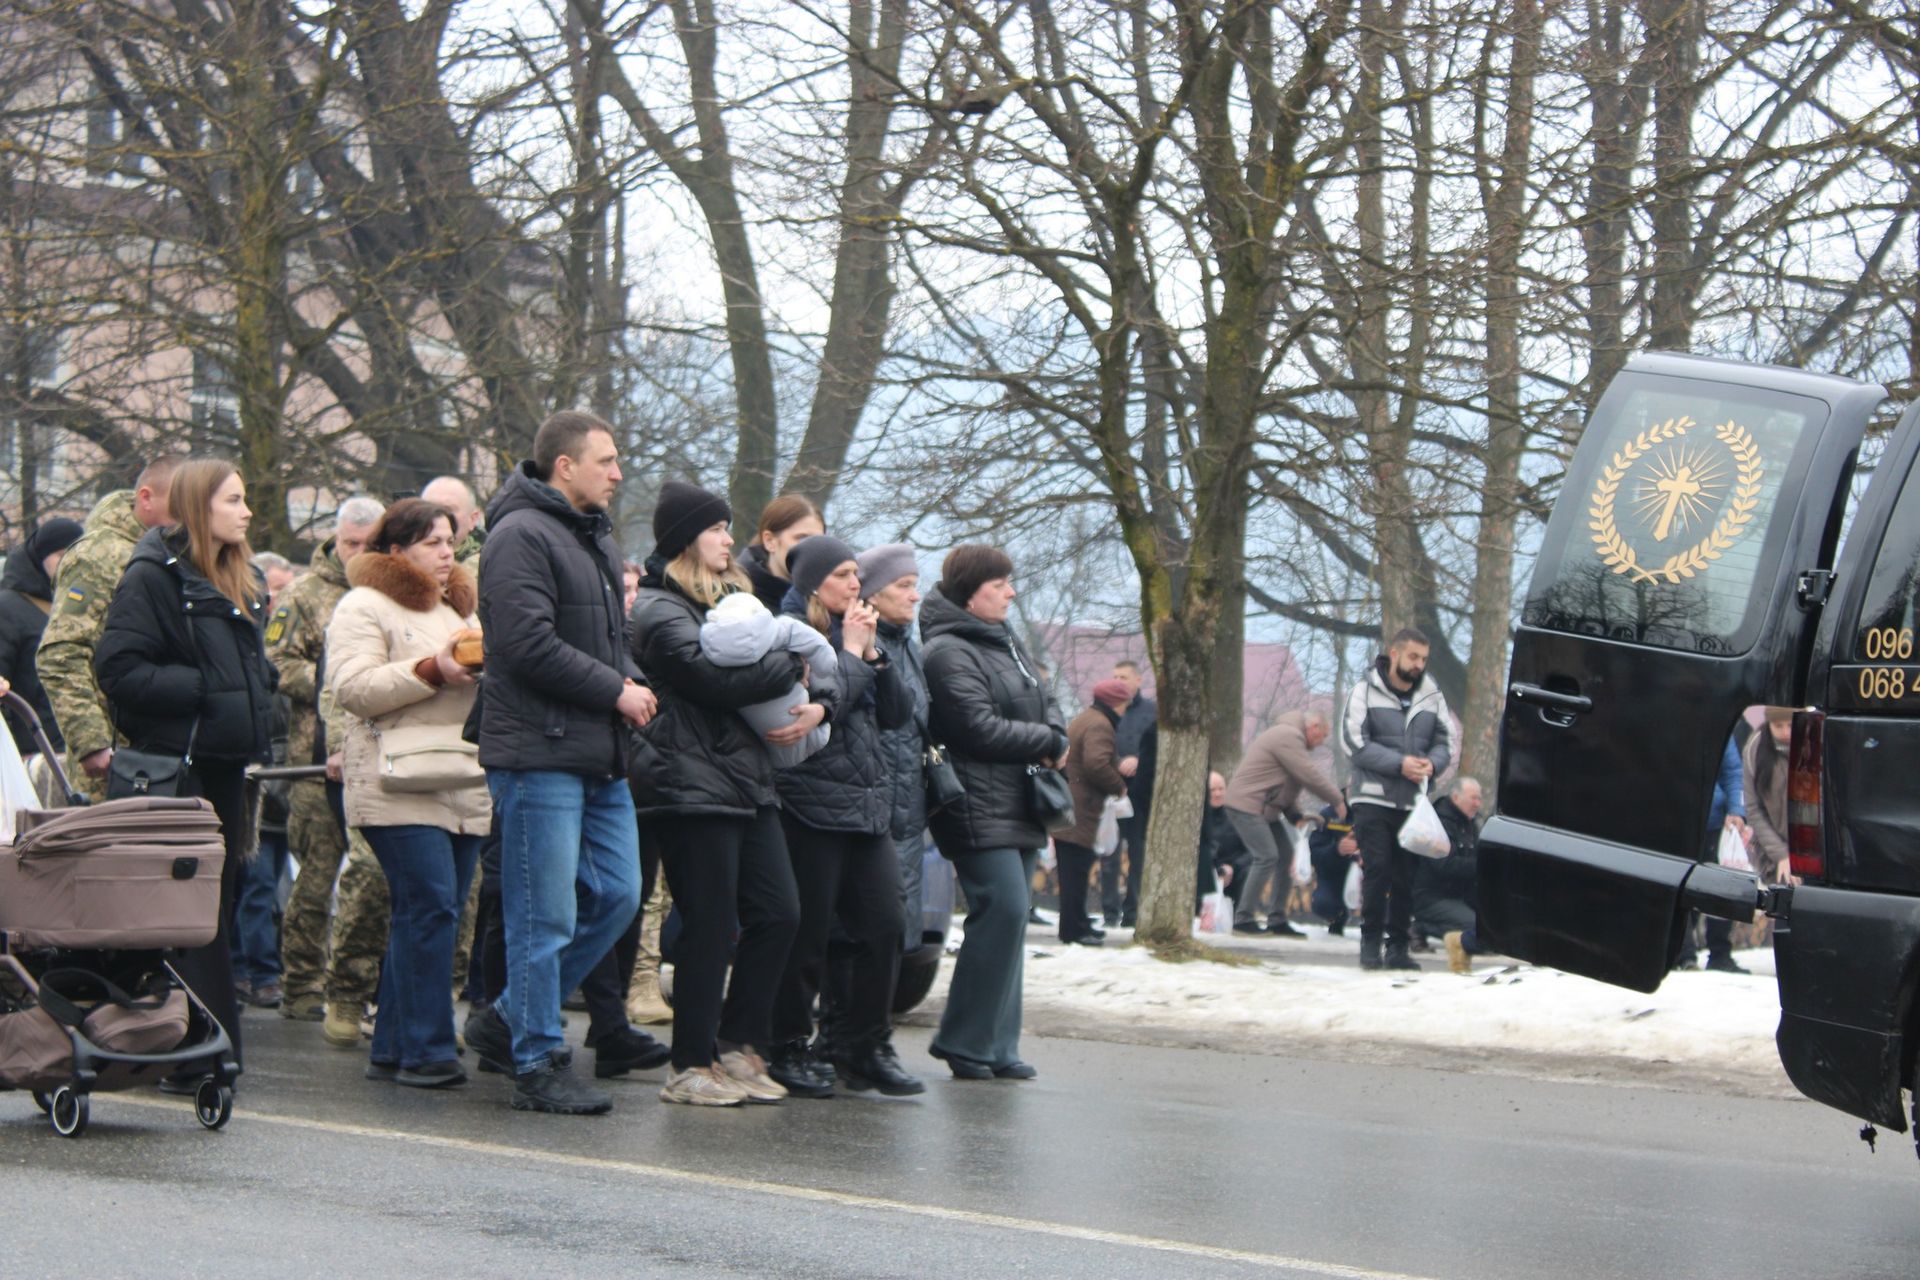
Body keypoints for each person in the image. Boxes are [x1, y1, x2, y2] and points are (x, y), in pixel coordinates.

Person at [462, 411, 654, 1116]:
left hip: (595, 749)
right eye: (605, 460)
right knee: (543, 916)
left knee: (616, 895)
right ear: (563, 467)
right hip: (536, 751)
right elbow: (523, 645)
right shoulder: (519, 535)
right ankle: (536, 1060)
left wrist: (628, 677)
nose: (617, 471)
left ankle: (510, 1015)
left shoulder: (591, 534)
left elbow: (610, 639)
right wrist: (616, 690)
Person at [629, 480, 813, 1106]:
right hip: (686, 780)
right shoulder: (657, 608)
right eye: (716, 528)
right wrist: (792, 659)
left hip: (745, 777)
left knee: (780, 911)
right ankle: (689, 1064)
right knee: (709, 924)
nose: (729, 539)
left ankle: (737, 1046)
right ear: (685, 537)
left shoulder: (737, 599)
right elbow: (709, 679)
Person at [94, 458, 278, 1075]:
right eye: (233, 500)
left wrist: (258, 691)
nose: (246, 511)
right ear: (202, 507)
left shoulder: (241, 578)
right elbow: (118, 669)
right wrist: (203, 688)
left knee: (215, 910)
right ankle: (191, 1052)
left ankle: (203, 1049)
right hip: (181, 770)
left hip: (228, 768)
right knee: (187, 914)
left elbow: (245, 674)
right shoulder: (153, 575)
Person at [325, 498, 490, 1088]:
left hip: (463, 779)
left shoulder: (460, 609)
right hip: (395, 779)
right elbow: (353, 687)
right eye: (431, 543)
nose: (447, 552)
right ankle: (427, 1048)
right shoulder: (364, 604)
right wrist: (431, 671)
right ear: (396, 552)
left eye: (450, 540)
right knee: (431, 906)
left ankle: (394, 1046)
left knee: (426, 912)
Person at [766, 535, 920, 1097]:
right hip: (808, 801)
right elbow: (823, 704)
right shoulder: (787, 634)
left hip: (864, 804)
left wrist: (875, 654)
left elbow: (898, 714)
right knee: (807, 936)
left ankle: (863, 1042)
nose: (857, 585)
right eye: (844, 575)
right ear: (813, 582)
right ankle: (785, 1044)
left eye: (858, 574)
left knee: (885, 927)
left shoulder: (858, 634)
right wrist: (854, 653)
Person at [921, 544, 1063, 1080]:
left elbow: (1044, 697)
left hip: (1017, 798)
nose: (1011, 591)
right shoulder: (947, 651)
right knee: (1001, 909)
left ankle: (999, 1045)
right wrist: (1046, 739)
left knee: (1013, 916)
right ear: (970, 592)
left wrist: (1054, 731)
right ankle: (964, 1041)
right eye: (1000, 583)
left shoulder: (1006, 641)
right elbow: (975, 728)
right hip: (974, 801)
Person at [267, 495, 383, 1027]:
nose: (358, 553)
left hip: (375, 756)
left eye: (368, 543)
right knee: (315, 879)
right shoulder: (303, 594)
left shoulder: (388, 589)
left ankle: (358, 985)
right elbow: (276, 662)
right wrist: (333, 681)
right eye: (350, 544)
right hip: (314, 759)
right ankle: (301, 984)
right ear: (334, 541)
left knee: (370, 878)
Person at [36, 453, 184, 801]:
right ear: (146, 498)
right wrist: (92, 744)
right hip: (116, 763)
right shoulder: (100, 555)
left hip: (167, 750)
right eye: (181, 502)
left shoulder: (178, 555)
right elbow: (62, 653)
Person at [1341, 627, 1453, 971]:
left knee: (1407, 876)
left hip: (1413, 803)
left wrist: (1432, 764)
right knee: (1378, 870)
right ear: (1394, 653)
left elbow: (1444, 741)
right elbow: (1353, 742)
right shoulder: (1364, 690)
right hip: (1372, 798)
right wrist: (1399, 764)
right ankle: (1370, 943)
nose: (1419, 664)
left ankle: (1399, 947)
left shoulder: (1432, 696)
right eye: (1413, 657)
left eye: (1423, 659)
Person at [859, 544, 933, 965]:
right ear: (871, 594)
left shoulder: (910, 647)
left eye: (915, 585)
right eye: (904, 585)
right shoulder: (860, 645)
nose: (914, 595)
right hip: (873, 811)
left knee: (894, 942)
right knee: (868, 932)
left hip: (908, 813)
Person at [1222, 709, 1344, 936]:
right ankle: (1243, 919)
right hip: (1246, 805)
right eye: (1323, 735)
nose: (1321, 743)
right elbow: (1307, 774)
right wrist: (1336, 799)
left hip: (1263, 809)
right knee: (1267, 856)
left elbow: (1285, 788)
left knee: (1285, 855)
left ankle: (1277, 919)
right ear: (1314, 727)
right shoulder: (1287, 735)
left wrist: (1296, 815)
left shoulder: (1290, 739)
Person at [0, 516, 85, 758]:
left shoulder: (81, 605)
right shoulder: (8, 608)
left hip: (74, 752)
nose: (70, 562)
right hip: (30, 752)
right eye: (61, 554)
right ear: (40, 557)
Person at [1059, 678, 1131, 946]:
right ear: (1117, 703)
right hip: (1082, 807)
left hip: (1072, 805)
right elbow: (1096, 763)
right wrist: (1119, 787)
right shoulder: (1100, 724)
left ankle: (1078, 921)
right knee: (1075, 870)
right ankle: (1073, 929)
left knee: (1074, 869)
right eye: (1125, 703)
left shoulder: (1087, 717)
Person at [1410, 776, 1481, 969]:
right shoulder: (1438, 824)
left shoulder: (1471, 825)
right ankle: (1420, 926)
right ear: (1456, 797)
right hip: (1433, 895)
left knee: (1492, 927)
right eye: (1473, 798)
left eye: (1479, 799)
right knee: (1477, 930)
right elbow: (1444, 866)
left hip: (1460, 895)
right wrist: (1480, 866)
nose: (1477, 804)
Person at [739, 494, 824, 611]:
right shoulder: (738, 598)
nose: (812, 548)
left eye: (819, 541)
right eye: (802, 538)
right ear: (770, 541)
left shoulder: (828, 600)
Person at [1197, 771, 1250, 911]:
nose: (1218, 794)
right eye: (1212, 790)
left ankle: (1242, 917)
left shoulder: (1239, 815)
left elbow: (1251, 850)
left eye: (1221, 789)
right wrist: (1215, 871)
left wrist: (1232, 868)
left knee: (1250, 872)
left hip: (1235, 871)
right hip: (1208, 872)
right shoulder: (1197, 817)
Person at [1307, 798, 1357, 934]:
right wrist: (1337, 850)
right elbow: (1315, 855)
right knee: (1323, 903)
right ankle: (1338, 917)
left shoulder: (1378, 812)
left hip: (1372, 874)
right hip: (1335, 875)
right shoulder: (1329, 815)